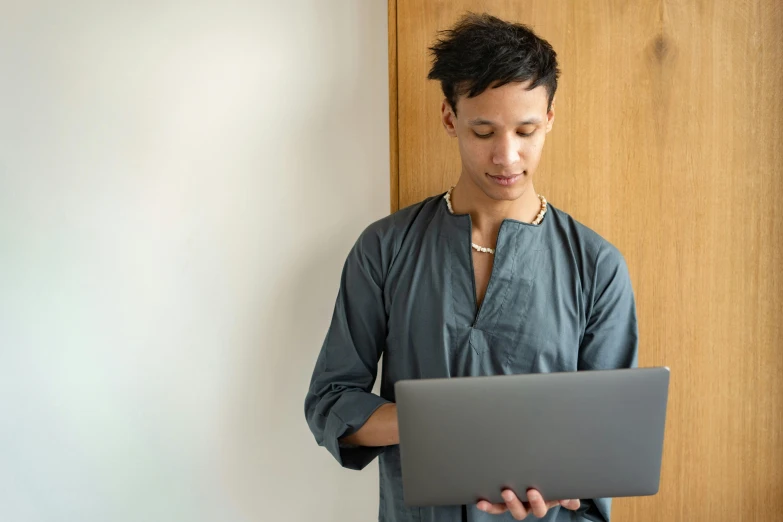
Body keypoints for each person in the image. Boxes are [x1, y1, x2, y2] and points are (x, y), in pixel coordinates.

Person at [304, 12, 638, 522]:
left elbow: (608, 437)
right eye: (483, 130)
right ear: (449, 118)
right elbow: (331, 403)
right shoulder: (383, 249)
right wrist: (436, 422)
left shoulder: (597, 267)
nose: (507, 155)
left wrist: (560, 486)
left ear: (550, 117)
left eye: (526, 129)